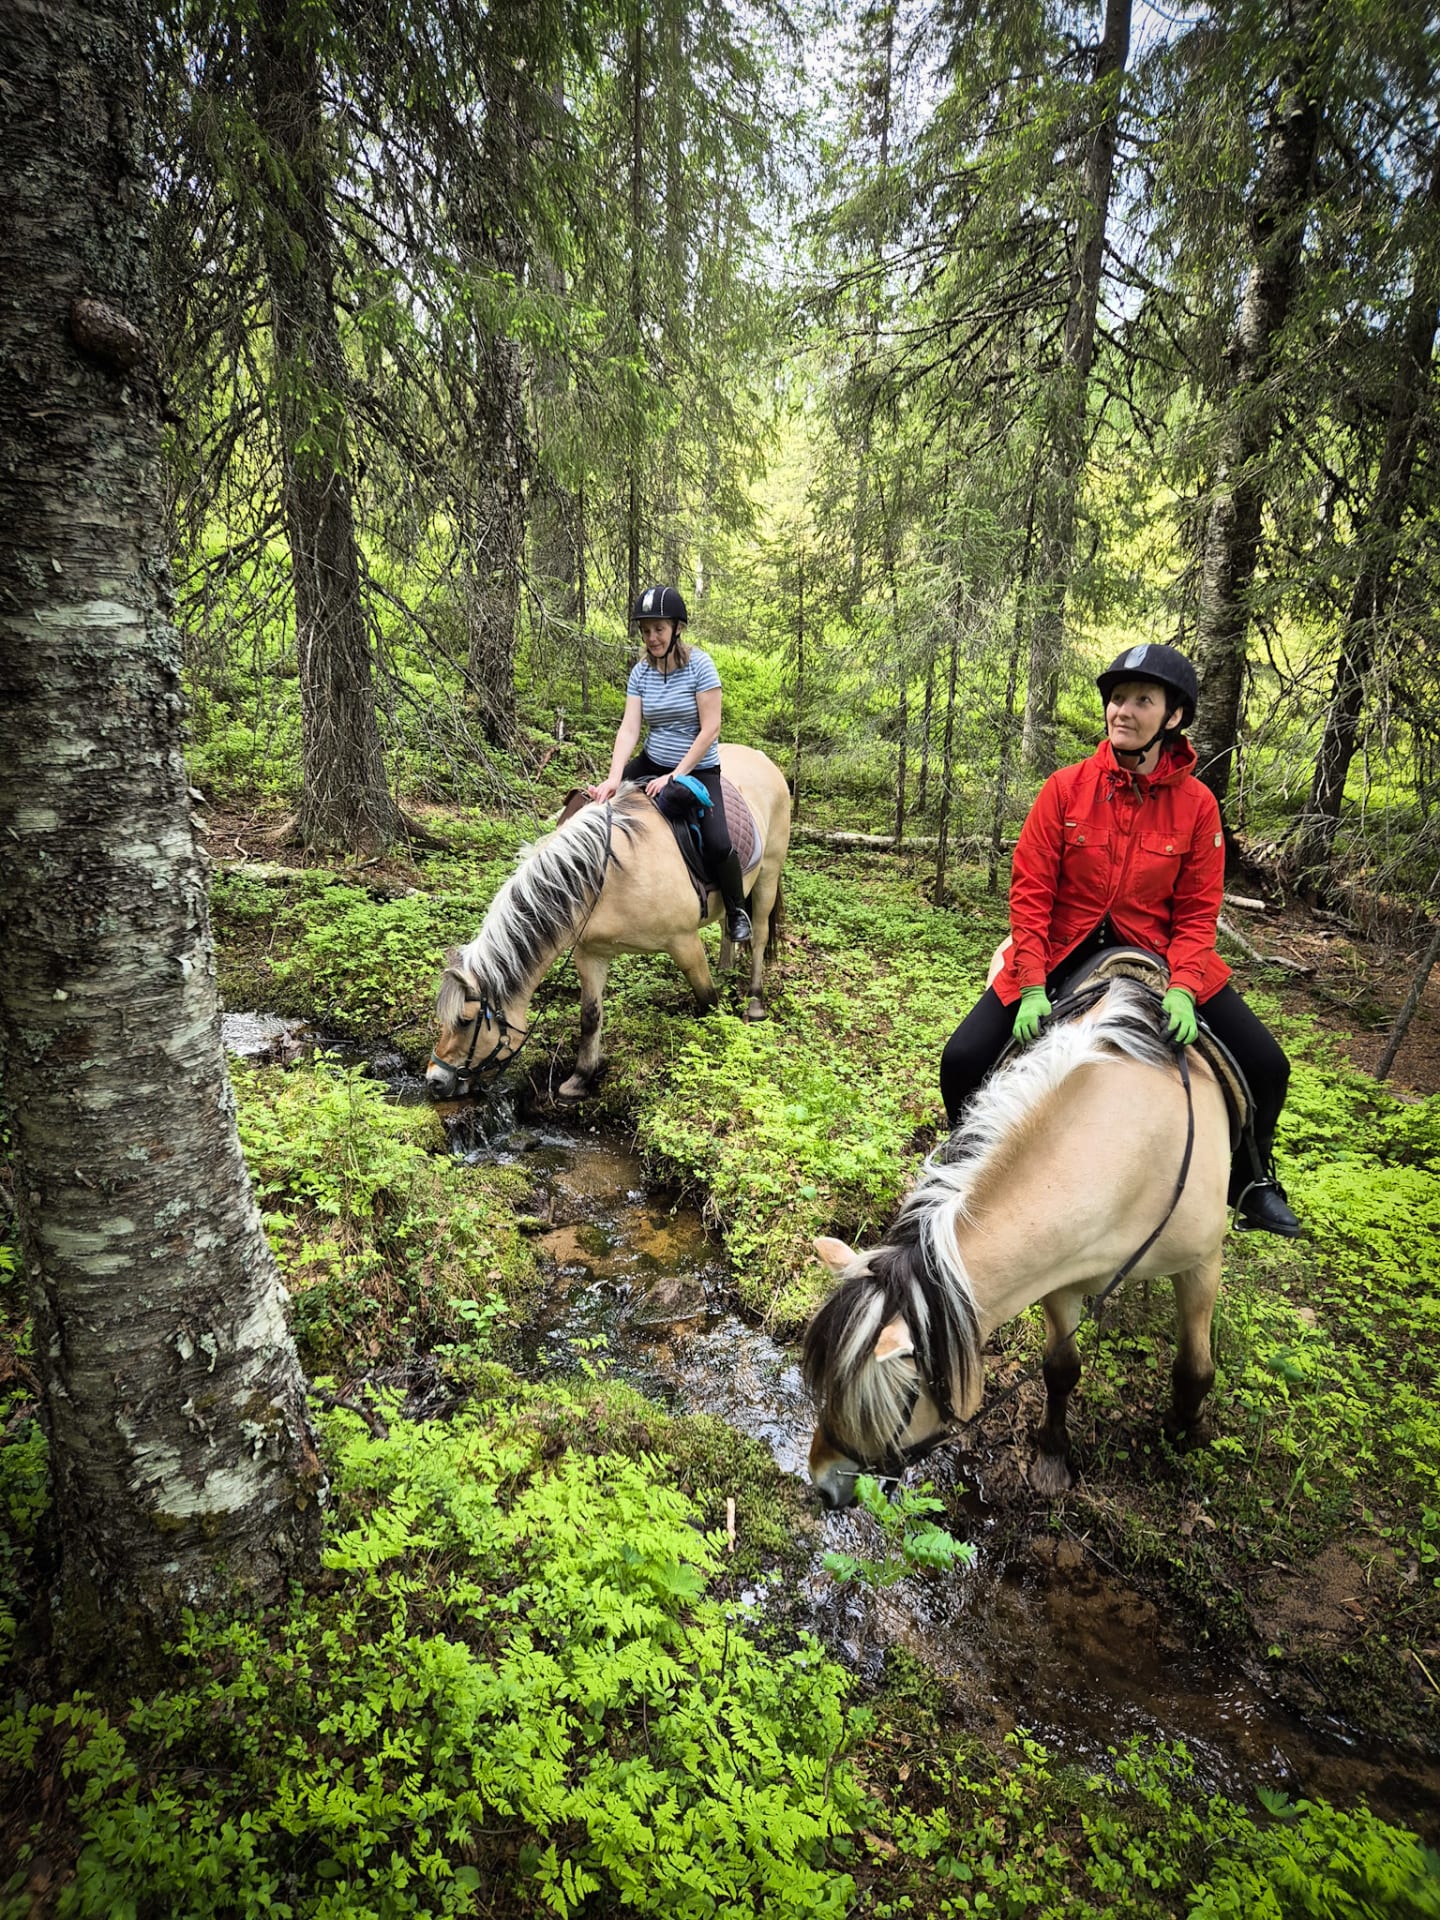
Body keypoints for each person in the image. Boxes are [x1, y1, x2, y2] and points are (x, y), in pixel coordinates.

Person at [939, 642, 1300, 1236]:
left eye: (1142, 700)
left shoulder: (1198, 807)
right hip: (1062, 947)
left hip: (1157, 949)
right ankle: (969, 1159)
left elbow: (1195, 913)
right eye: (1116, 698)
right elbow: (1030, 895)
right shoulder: (1064, 789)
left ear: (1173, 716)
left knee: (1267, 1065)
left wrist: (1184, 986)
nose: (1122, 711)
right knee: (963, 1058)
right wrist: (1031, 983)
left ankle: (1250, 1179)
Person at [588, 583, 753, 941]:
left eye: (659, 629)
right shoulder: (640, 673)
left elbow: (711, 728)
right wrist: (614, 777)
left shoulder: (700, 666)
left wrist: (676, 775)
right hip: (651, 759)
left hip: (698, 768)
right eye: (646, 630)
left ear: (677, 628)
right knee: (599, 810)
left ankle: (737, 909)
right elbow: (630, 728)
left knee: (719, 841)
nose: (652, 637)